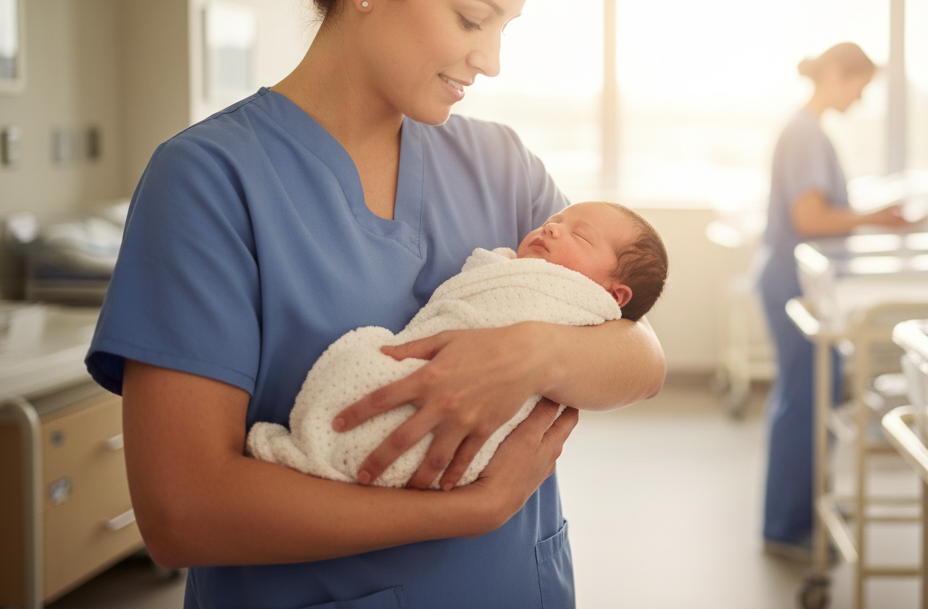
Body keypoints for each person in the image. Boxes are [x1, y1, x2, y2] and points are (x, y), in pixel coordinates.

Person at [85, 0, 666, 609]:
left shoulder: (500, 163)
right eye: (472, 17)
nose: (490, 59)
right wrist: (468, 511)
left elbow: (640, 357)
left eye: (505, 27)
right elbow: (183, 511)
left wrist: (532, 352)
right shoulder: (210, 180)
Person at [247, 200, 669, 490]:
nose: (552, 226)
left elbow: (648, 363)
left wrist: (537, 349)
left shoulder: (575, 296)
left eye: (581, 235)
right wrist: (479, 510)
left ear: (615, 296)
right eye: (553, 220)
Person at [755, 42, 909, 558]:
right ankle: (787, 524)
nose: (861, 100)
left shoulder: (809, 131)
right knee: (804, 398)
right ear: (839, 75)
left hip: (798, 279)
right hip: (793, 281)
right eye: (860, 87)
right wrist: (877, 218)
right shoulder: (805, 133)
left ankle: (802, 506)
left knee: (812, 392)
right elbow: (812, 218)